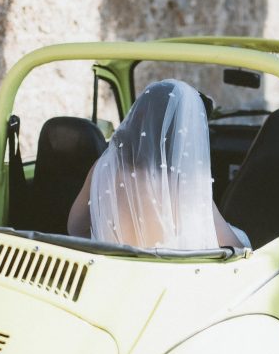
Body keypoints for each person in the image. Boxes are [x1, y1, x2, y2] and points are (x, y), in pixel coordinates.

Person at [67, 79, 249, 250]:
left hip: (111, 273)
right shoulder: (186, 184)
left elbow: (75, 229)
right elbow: (235, 247)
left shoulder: (103, 167)